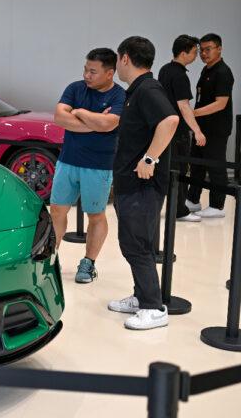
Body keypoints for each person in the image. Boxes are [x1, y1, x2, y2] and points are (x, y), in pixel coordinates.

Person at [108, 36, 179, 330]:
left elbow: (170, 121)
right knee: (137, 243)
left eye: (117, 60)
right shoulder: (138, 90)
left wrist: (149, 159)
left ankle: (153, 308)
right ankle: (142, 297)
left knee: (135, 244)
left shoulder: (148, 89)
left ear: (125, 58)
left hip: (142, 185)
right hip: (131, 182)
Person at [52, 48, 125, 283]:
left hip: (98, 165)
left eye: (93, 71)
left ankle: (88, 263)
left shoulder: (119, 96)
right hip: (67, 161)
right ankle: (50, 260)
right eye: (85, 69)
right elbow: (59, 117)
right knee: (57, 211)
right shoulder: (75, 88)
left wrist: (80, 112)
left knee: (95, 214)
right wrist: (96, 123)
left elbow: (109, 124)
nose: (86, 75)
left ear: (110, 73)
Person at [186, 33, 234, 218]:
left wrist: (193, 113)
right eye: (201, 50)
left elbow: (220, 103)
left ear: (219, 48)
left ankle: (217, 206)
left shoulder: (223, 72)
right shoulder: (206, 70)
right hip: (201, 127)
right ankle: (193, 199)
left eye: (208, 49)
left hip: (216, 129)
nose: (204, 54)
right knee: (197, 165)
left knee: (216, 167)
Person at [157, 35, 205, 222]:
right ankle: (180, 211)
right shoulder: (180, 76)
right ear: (183, 53)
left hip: (165, 128)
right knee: (180, 169)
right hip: (178, 131)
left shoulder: (164, 70)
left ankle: (175, 207)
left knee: (169, 168)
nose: (196, 56)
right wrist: (197, 131)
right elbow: (184, 106)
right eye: (194, 52)